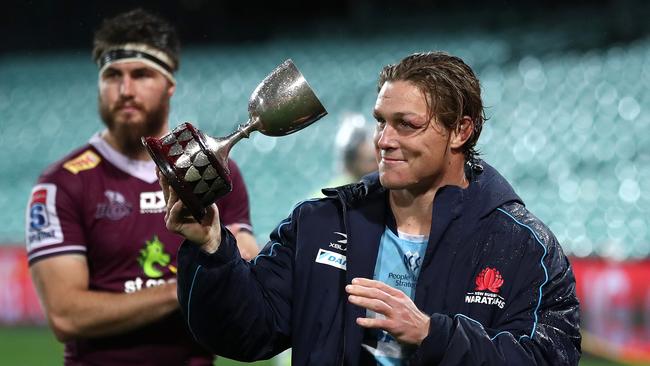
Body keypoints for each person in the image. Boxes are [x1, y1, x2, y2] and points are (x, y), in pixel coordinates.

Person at [162, 51, 581, 365]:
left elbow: (548, 358)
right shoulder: (320, 224)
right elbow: (246, 332)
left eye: (407, 124)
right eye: (381, 120)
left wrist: (432, 335)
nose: (382, 139)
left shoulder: (522, 245)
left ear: (461, 130)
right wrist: (212, 247)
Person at [25, 8, 257, 365]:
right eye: (112, 75)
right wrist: (187, 288)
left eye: (142, 74)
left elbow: (244, 260)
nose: (125, 89)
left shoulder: (211, 172)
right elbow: (66, 315)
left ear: (169, 85)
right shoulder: (63, 183)